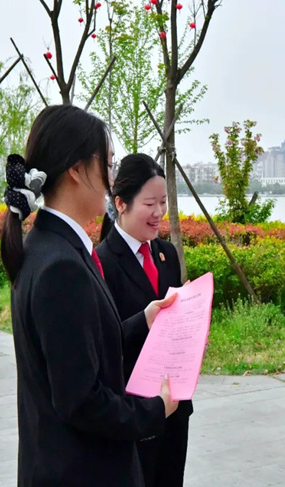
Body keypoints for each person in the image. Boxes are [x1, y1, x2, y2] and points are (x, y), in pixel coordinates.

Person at [0, 105, 179, 486]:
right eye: (107, 165)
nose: (112, 180)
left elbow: (81, 353)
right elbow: (82, 401)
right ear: (77, 170)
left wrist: (143, 319)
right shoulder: (62, 267)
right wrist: (154, 410)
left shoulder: (47, 246)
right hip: (82, 471)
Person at [96, 153, 192, 487]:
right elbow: (101, 342)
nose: (159, 213)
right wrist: (144, 320)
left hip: (174, 406)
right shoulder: (101, 262)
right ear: (120, 204)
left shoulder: (167, 254)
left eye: (163, 202)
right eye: (150, 204)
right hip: (131, 411)